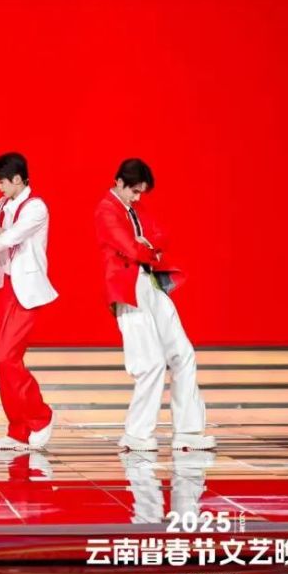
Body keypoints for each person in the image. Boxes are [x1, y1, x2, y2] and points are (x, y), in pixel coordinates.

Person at [93, 158, 215, 451]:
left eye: (141, 192)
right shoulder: (106, 210)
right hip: (128, 288)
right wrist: (147, 247)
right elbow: (132, 248)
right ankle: (136, 434)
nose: (137, 197)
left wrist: (147, 246)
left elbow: (161, 236)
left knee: (183, 354)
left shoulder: (134, 208)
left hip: (150, 283)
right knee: (150, 363)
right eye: (134, 191)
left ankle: (188, 431)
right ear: (118, 182)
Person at [0, 152, 57, 451]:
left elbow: (13, 236)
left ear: (18, 179)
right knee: (2, 360)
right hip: (7, 287)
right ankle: (18, 430)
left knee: (7, 357)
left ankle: (41, 417)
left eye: (2, 182)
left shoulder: (35, 207)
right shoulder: (2, 205)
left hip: (27, 290)